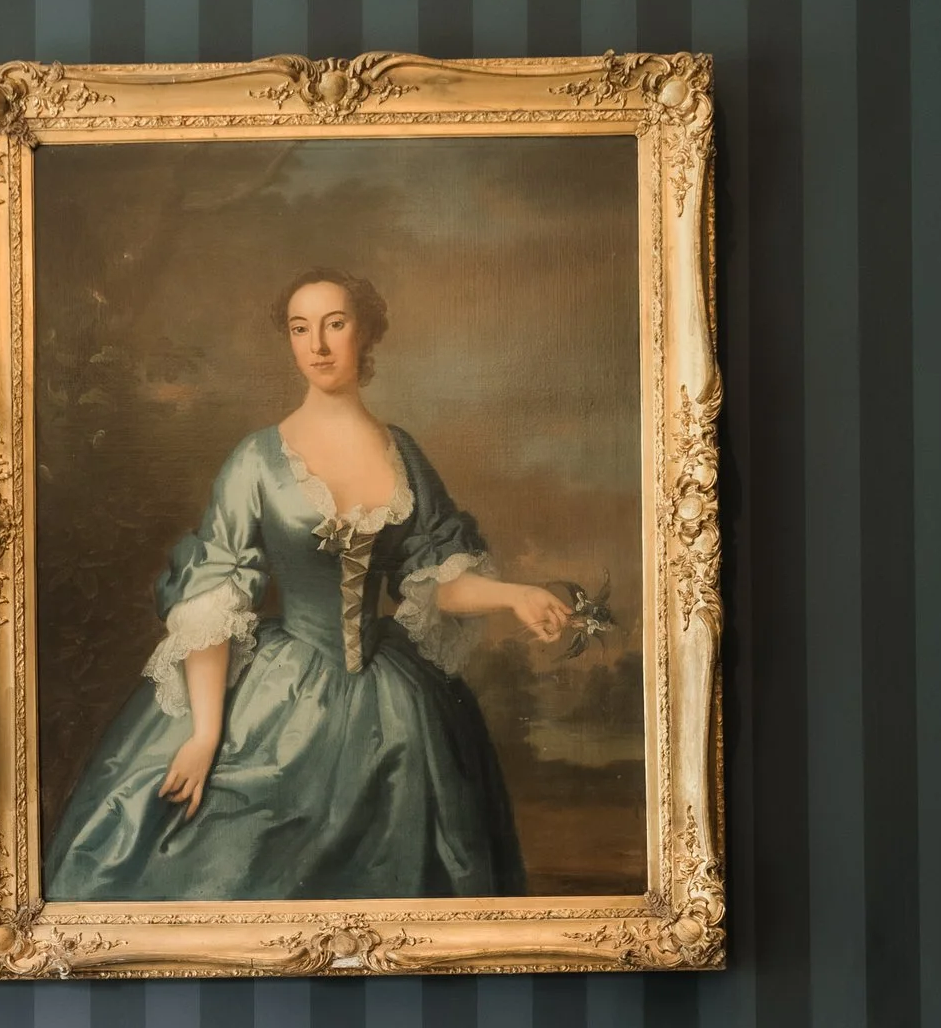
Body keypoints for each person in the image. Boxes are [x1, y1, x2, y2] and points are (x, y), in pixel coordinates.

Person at [42, 270, 581, 903]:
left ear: (367, 333)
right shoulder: (256, 460)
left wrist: (515, 595)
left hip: (395, 707)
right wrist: (207, 733)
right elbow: (216, 597)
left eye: (335, 324)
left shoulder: (402, 453)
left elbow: (435, 581)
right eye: (301, 329)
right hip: (279, 694)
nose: (318, 345)